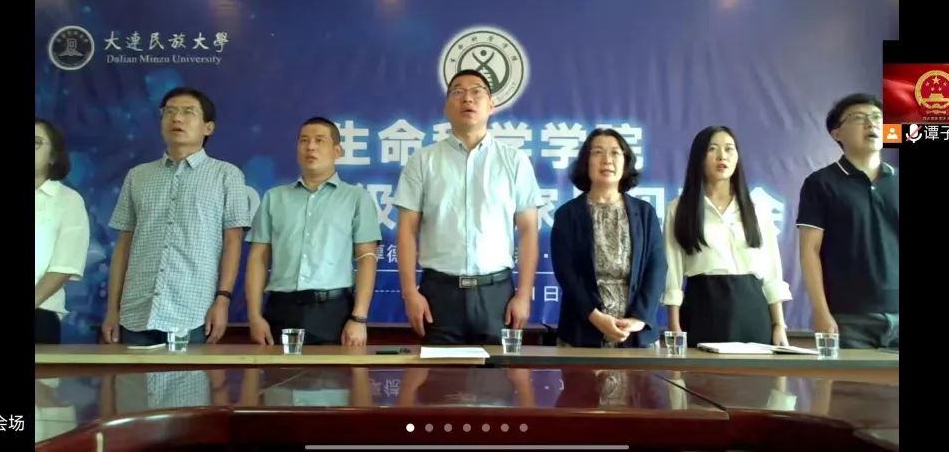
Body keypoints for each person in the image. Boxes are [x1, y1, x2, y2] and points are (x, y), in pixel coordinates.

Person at [393, 69, 543, 344]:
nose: (467, 99)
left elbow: (528, 232)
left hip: (496, 295)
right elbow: (406, 231)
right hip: (439, 294)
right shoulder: (423, 161)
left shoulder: (515, 161)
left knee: (497, 372)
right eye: (458, 92)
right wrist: (410, 293)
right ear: (446, 107)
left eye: (477, 92)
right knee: (439, 372)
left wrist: (523, 294)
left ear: (491, 105)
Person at [102, 87, 250, 345]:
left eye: (188, 112)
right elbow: (124, 245)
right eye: (169, 112)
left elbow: (233, 242)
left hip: (193, 313)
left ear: (208, 128)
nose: (177, 118)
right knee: (129, 373)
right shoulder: (138, 176)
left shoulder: (227, 175)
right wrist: (112, 310)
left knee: (190, 372)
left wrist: (223, 300)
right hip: (135, 312)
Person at [245, 117, 380, 346]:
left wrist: (358, 318)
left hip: (333, 312)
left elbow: (367, 258)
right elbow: (258, 258)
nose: (311, 147)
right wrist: (255, 317)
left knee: (331, 371)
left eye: (320, 140)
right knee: (277, 371)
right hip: (280, 309)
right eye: (304, 141)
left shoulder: (357, 198)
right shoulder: (274, 198)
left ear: (337, 151)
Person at [663, 126, 792, 347]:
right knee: (702, 370)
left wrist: (778, 324)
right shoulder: (679, 208)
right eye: (712, 149)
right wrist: (674, 325)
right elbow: (672, 271)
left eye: (729, 149)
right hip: (703, 308)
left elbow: (772, 270)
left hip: (751, 309)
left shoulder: (757, 207)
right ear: (699, 157)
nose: (722, 156)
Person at [797, 93, 898, 349]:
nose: (871, 123)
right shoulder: (821, 183)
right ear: (837, 133)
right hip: (848, 319)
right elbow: (810, 251)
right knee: (849, 378)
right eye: (858, 118)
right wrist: (821, 311)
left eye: (877, 117)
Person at [550, 128, 666, 348]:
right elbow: (566, 273)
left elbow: (657, 266)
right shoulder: (567, 214)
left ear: (626, 162)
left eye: (615, 153)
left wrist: (639, 319)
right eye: (597, 152)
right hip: (582, 331)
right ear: (585, 162)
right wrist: (595, 316)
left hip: (636, 334)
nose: (607, 160)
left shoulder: (644, 213)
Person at [35, 118, 90, 344]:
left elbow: (64, 266)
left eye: (36, 142)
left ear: (53, 156)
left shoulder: (68, 200)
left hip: (39, 313)